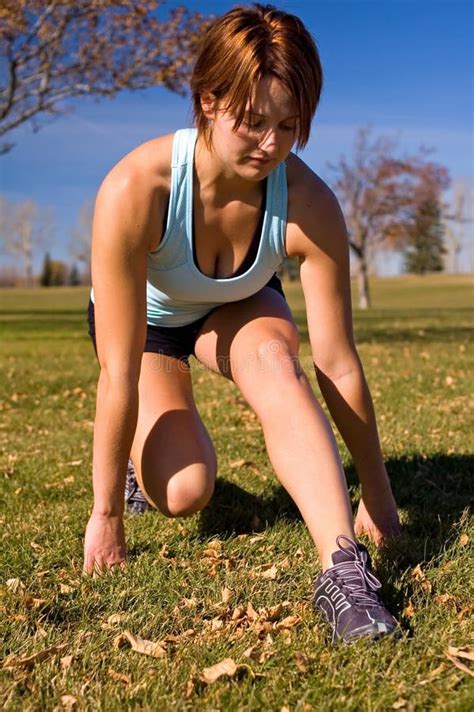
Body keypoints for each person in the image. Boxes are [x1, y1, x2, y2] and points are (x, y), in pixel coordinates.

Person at [84, 3, 402, 644]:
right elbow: (117, 370)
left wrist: (380, 494)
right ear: (207, 101)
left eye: (289, 125)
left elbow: (336, 362)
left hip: (239, 304)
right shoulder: (135, 190)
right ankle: (136, 464)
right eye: (253, 122)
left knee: (280, 367)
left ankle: (342, 573)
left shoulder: (308, 202)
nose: (271, 145)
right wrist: (105, 515)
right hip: (151, 326)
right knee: (185, 491)